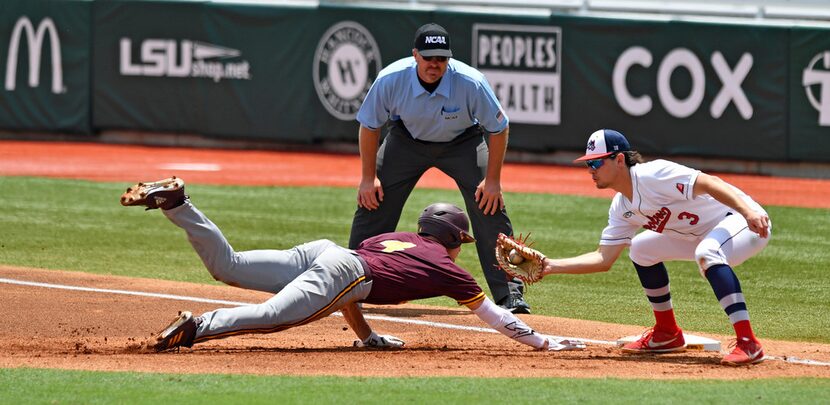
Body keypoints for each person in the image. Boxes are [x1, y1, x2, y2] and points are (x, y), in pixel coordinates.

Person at [119, 177, 585, 352]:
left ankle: (179, 205)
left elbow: (348, 284)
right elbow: (497, 317)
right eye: (461, 241)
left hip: (328, 255)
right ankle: (197, 328)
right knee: (273, 317)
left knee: (230, 264)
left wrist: (368, 336)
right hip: (343, 272)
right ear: (452, 239)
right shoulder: (447, 267)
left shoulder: (396, 239)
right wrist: (543, 343)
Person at [527, 129, 771, 366]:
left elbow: (709, 182)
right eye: (588, 164)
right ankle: (667, 332)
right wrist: (549, 266)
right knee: (641, 248)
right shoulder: (621, 207)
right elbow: (604, 258)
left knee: (707, 252)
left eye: (596, 163)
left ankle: (749, 342)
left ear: (619, 159)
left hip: (743, 222)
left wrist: (748, 212)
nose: (590, 171)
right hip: (698, 235)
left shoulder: (653, 174)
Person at [349, 22, 529, 313]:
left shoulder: (471, 82)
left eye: (441, 58)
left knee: (490, 205)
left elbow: (499, 128)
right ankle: (351, 279)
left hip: (463, 143)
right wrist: (368, 178)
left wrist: (492, 180)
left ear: (449, 58)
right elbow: (369, 126)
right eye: (429, 57)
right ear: (415, 55)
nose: (435, 64)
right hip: (406, 140)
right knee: (372, 199)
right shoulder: (391, 78)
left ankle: (510, 292)